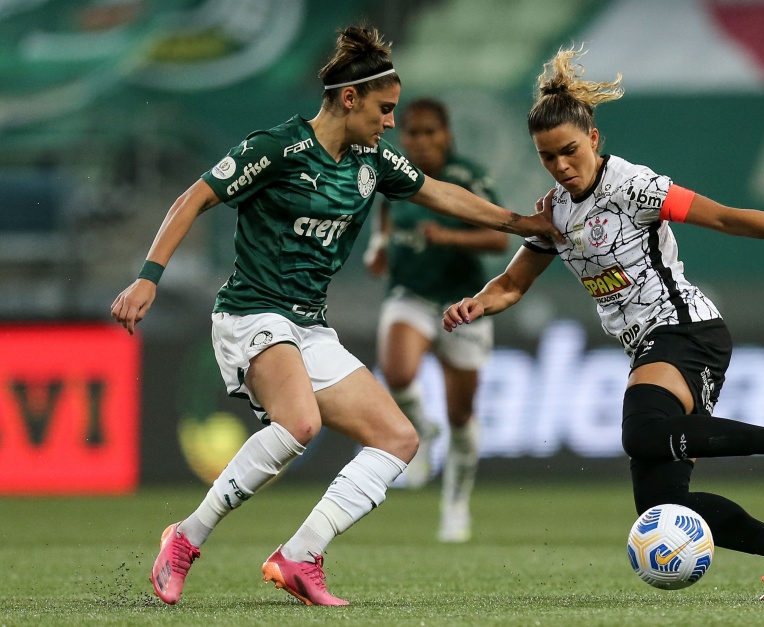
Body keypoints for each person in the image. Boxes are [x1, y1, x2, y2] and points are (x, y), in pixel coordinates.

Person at [110, 25, 561, 608]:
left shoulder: (371, 160)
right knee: (300, 424)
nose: (391, 122)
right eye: (385, 109)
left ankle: (300, 555)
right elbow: (194, 197)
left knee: (398, 439)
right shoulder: (276, 148)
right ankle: (185, 539)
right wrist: (149, 276)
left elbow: (440, 193)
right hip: (252, 312)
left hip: (308, 326)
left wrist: (519, 223)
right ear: (350, 99)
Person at [442, 46, 764, 602]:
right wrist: (477, 302)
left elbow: (723, 217)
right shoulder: (554, 210)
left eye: (570, 151)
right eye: (548, 157)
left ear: (593, 140)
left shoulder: (630, 184)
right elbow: (512, 284)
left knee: (640, 431)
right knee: (663, 507)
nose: (561, 165)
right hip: (652, 344)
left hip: (684, 329)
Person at [363, 98, 508, 542]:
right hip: (410, 294)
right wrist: (379, 249)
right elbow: (385, 226)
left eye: (431, 132)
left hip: (464, 304)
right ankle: (422, 429)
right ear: (401, 136)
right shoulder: (392, 175)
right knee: (399, 372)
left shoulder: (467, 177)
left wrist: (448, 236)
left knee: (461, 414)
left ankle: (456, 503)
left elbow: (499, 240)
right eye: (413, 133)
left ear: (447, 135)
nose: (421, 142)